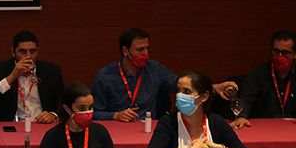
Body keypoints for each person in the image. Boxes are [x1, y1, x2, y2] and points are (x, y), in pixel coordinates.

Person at [92, 28, 235, 122]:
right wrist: (115, 115)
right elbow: (94, 113)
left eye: (147, 49)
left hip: (149, 127)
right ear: (125, 51)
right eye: (140, 50)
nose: (146, 54)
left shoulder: (154, 69)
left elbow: (180, 84)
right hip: (118, 128)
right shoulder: (105, 76)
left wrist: (214, 87)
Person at [145, 71, 252, 148]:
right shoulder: (168, 122)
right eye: (178, 90)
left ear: (204, 97)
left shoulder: (216, 123)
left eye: (186, 91)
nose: (179, 96)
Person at [0, 30, 64, 122]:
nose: (28, 56)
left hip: (41, 123)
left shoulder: (51, 71)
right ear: (13, 52)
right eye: (23, 52)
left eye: (32, 51)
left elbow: (63, 103)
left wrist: (53, 115)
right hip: (11, 124)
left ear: (38, 51)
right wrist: (12, 76)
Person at [37, 82, 116, 148]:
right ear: (67, 109)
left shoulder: (100, 132)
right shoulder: (52, 136)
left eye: (90, 107)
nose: (88, 112)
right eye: (82, 108)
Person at [233, 30, 296, 128]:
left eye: (285, 53)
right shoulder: (258, 74)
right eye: (276, 51)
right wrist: (242, 116)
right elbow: (246, 99)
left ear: (295, 54)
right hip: (265, 127)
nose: (279, 57)